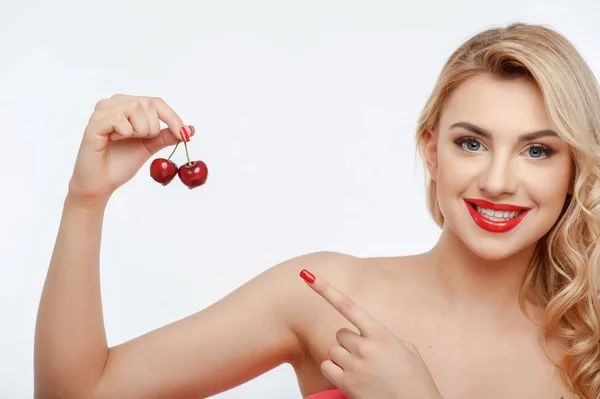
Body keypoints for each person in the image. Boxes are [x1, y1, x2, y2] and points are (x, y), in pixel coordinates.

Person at [33, 21, 600, 399]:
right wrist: (86, 200)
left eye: (537, 150)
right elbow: (80, 393)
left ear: (574, 165)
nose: (498, 181)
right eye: (471, 143)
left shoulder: (589, 338)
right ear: (431, 150)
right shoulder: (324, 294)